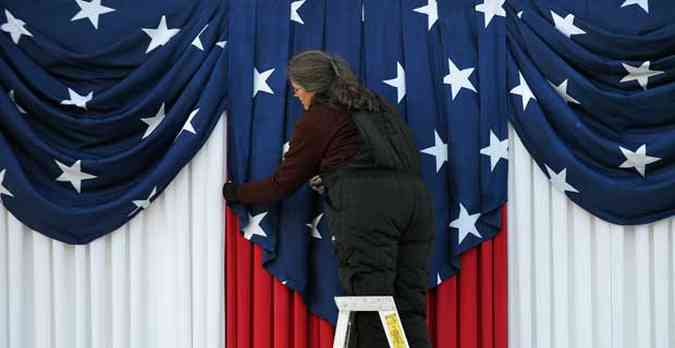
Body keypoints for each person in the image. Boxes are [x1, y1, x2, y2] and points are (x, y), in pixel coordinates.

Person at [223, 50, 434, 348]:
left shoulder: (319, 119)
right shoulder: (376, 103)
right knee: (408, 306)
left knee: (370, 307)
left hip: (368, 212)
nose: (296, 97)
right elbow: (380, 160)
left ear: (311, 87)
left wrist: (233, 192)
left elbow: (281, 186)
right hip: (417, 206)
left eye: (296, 90)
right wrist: (335, 177)